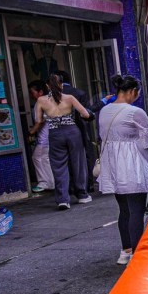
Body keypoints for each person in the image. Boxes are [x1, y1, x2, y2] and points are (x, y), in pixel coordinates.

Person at [98, 75, 148, 265]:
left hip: (113, 165)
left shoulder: (104, 110)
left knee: (124, 210)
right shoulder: (135, 112)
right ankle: (137, 253)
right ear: (133, 91)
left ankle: (125, 251)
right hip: (132, 166)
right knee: (136, 211)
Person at [28, 75, 91, 211]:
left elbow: (39, 120)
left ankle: (63, 199)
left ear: (47, 86)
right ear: (61, 85)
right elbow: (85, 114)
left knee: (58, 166)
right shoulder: (69, 98)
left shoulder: (41, 100)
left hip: (55, 134)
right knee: (78, 163)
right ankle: (82, 195)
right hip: (72, 132)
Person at [56, 70, 100, 190]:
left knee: (62, 160)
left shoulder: (50, 96)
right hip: (78, 129)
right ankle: (86, 185)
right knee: (83, 158)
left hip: (56, 132)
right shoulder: (78, 93)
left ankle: (68, 187)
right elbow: (86, 113)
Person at [27, 80, 54, 193]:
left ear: (40, 92)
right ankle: (50, 182)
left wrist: (31, 132)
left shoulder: (41, 101)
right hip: (50, 135)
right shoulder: (50, 99)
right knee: (44, 158)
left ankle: (44, 182)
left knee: (38, 157)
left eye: (32, 92)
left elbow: (40, 120)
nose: (31, 95)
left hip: (45, 138)